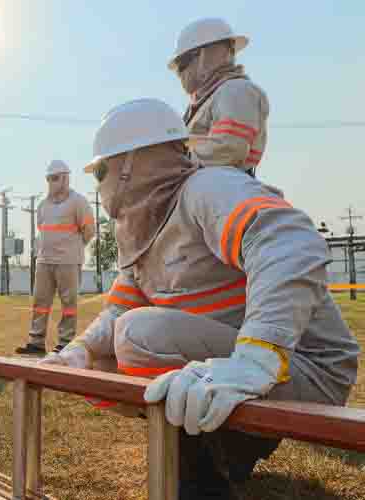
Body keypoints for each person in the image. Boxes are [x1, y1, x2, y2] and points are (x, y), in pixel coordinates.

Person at [44, 98, 359, 498]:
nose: (99, 183)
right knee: (100, 361)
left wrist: (258, 354)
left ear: (130, 166)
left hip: (306, 365)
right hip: (250, 361)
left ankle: (206, 472)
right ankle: (228, 448)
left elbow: (291, 241)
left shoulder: (206, 188)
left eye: (102, 170)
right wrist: (78, 350)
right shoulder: (145, 226)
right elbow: (118, 308)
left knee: (139, 335)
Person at [170, 17, 269, 176]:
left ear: (202, 55)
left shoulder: (236, 90)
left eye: (182, 65)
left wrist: (173, 165)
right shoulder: (207, 99)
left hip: (220, 189)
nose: (181, 73)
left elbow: (229, 149)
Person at [15, 160, 95, 356]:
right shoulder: (42, 205)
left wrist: (73, 249)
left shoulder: (79, 202)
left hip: (68, 261)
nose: (50, 182)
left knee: (69, 304)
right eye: (48, 178)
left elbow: (89, 231)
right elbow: (42, 231)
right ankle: (36, 342)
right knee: (40, 303)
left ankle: (65, 342)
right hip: (44, 261)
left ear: (66, 178)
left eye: (54, 178)